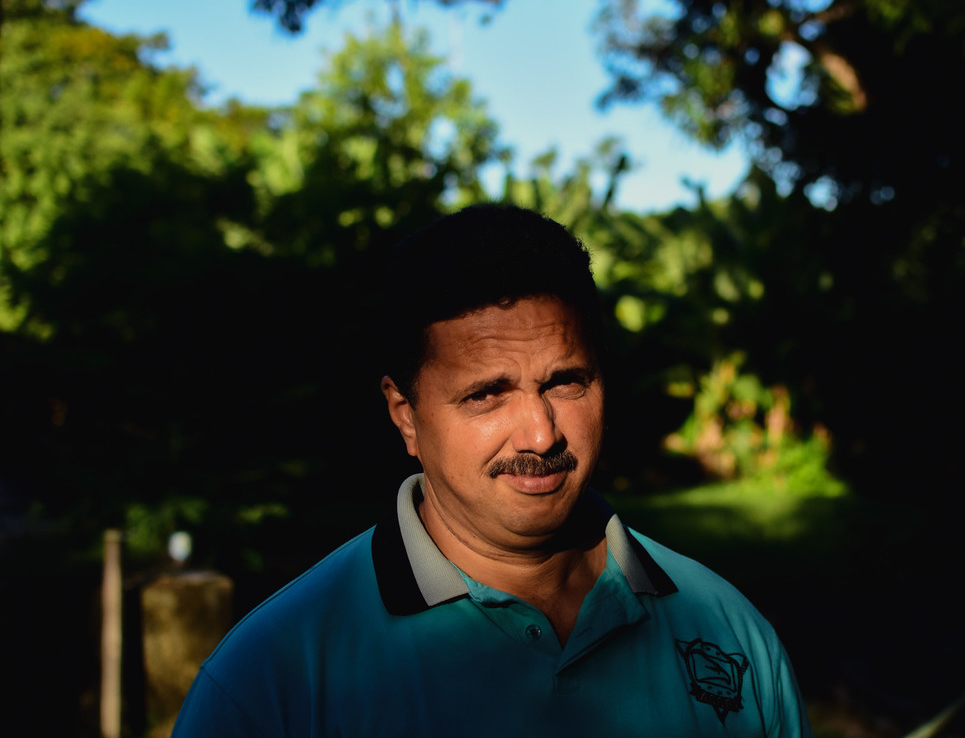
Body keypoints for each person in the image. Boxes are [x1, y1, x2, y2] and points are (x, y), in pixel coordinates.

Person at [172, 204, 812, 737]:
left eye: (566, 382)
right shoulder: (272, 683)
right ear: (406, 417)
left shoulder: (729, 632)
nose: (541, 433)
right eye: (486, 394)